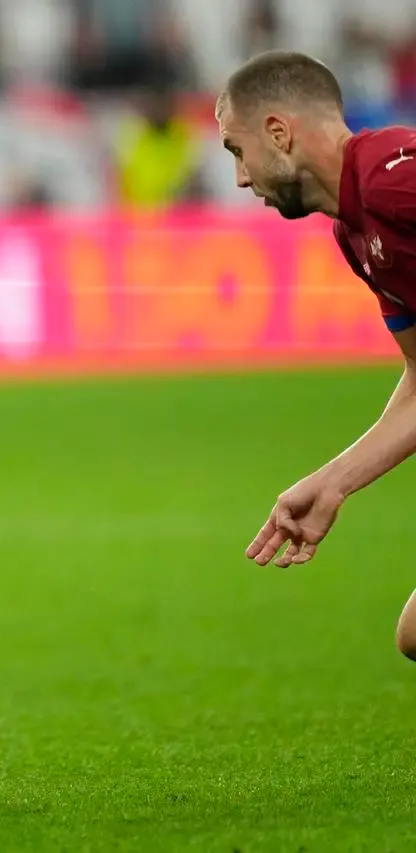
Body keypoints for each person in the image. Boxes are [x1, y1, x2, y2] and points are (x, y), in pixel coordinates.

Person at [214, 49, 416, 655]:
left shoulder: (398, 179)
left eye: (237, 151)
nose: (242, 178)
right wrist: (333, 482)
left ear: (277, 133)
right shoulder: (355, 233)